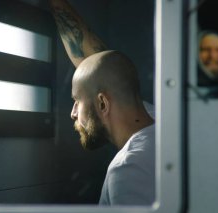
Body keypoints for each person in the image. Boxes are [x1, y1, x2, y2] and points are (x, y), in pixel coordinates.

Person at [49, 0, 155, 205]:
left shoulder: (128, 169)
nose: (72, 113)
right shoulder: (158, 121)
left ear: (103, 104)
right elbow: (101, 70)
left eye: (76, 101)